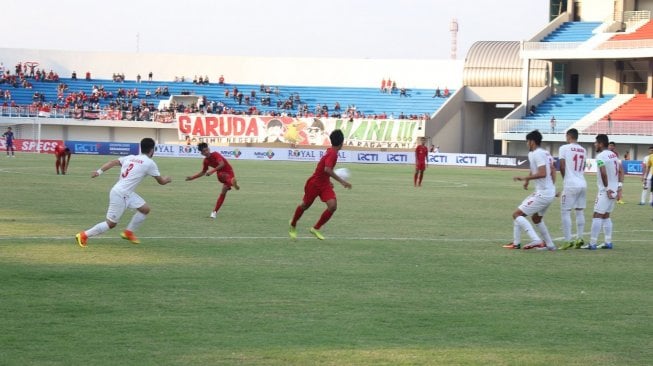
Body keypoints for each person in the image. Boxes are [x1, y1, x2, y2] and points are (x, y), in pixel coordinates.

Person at [75, 138, 172, 247]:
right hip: (121, 194)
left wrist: (98, 172)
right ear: (152, 150)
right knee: (111, 224)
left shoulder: (131, 157)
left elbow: (113, 162)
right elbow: (161, 181)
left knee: (145, 209)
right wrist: (167, 179)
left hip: (126, 192)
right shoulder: (150, 163)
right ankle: (83, 235)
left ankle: (128, 233)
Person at [288, 129, 352, 240]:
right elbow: (327, 169)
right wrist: (342, 181)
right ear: (342, 143)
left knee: (332, 206)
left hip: (324, 183)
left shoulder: (331, 151)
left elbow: (325, 169)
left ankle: (316, 228)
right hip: (315, 184)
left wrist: (328, 181)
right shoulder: (333, 154)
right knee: (305, 206)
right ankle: (293, 224)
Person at [503, 130, 557, 251]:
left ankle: (536, 240)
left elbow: (542, 173)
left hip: (543, 193)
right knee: (536, 218)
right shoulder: (544, 153)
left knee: (517, 214)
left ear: (532, 142)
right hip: (547, 192)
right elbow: (551, 170)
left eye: (527, 141)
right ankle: (550, 245)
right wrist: (528, 181)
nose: (527, 143)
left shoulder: (537, 154)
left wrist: (525, 178)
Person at [582, 134, 622, 250]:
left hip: (606, 191)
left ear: (600, 143)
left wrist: (606, 188)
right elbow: (621, 171)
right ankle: (608, 242)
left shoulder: (601, 157)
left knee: (597, 215)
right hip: (614, 190)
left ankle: (592, 243)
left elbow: (603, 173)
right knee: (606, 215)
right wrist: (619, 187)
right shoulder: (613, 155)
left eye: (596, 143)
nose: (595, 145)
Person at [185, 142, 240, 219]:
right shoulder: (206, 161)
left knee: (223, 192)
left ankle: (214, 212)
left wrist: (211, 171)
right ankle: (232, 184)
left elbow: (222, 164)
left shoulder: (215, 154)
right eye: (204, 151)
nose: (206, 152)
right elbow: (203, 172)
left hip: (229, 172)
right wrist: (192, 177)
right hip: (221, 174)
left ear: (209, 149)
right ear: (201, 153)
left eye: (207, 150)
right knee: (221, 175)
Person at [557, 128, 587, 250]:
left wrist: (565, 180)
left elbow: (562, 166)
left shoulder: (564, 148)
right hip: (582, 182)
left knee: (565, 211)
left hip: (570, 183)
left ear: (569, 136)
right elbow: (583, 166)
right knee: (579, 211)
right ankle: (579, 238)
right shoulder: (583, 150)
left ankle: (567, 240)